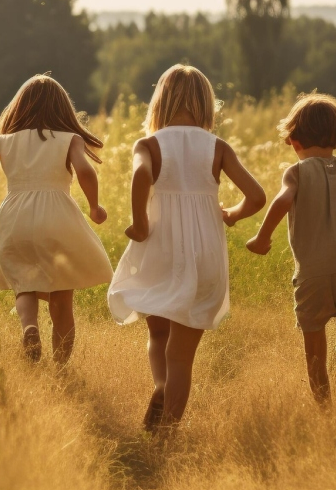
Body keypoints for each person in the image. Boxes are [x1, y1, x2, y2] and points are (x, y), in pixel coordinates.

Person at [108, 64, 266, 430]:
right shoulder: (217, 147)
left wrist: (141, 221)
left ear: (159, 103)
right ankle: (168, 435)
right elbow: (256, 196)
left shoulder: (148, 145)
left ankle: (161, 387)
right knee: (181, 356)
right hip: (204, 254)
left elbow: (140, 175)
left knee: (158, 333)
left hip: (161, 248)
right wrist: (231, 215)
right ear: (206, 106)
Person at [245, 93, 336, 405]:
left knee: (315, 356)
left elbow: (284, 200)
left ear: (294, 140)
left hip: (312, 278)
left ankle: (325, 415)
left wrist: (262, 238)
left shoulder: (296, 172)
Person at [0, 75, 113, 364]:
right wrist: (94, 206)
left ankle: (29, 327)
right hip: (56, 215)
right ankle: (61, 369)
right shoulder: (70, 139)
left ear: (19, 107)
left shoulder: (4, 141)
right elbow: (86, 172)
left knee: (23, 283)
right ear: (62, 109)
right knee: (62, 299)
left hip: (14, 216)